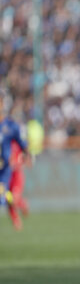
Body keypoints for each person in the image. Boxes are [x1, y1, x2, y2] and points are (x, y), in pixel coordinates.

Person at [0, 93, 29, 222]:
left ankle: (18, 202)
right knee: (4, 196)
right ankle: (18, 202)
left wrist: (28, 155)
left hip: (3, 169)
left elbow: (22, 143)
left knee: (1, 197)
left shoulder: (10, 126)